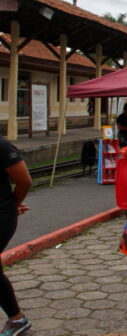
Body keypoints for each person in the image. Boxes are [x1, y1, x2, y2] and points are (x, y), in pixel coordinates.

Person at [0, 137, 32, 336]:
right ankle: (17, 318)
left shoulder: (2, 146)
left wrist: (12, 204)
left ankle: (17, 319)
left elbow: (24, 181)